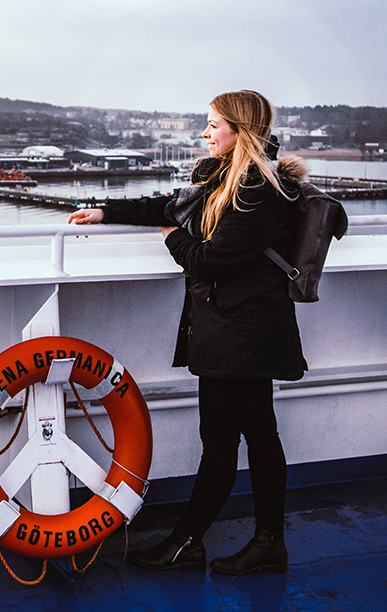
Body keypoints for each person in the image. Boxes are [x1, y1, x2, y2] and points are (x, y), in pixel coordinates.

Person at [67, 89, 308, 575]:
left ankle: (187, 542)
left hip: (240, 334)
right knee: (261, 434)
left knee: (221, 443)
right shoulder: (221, 179)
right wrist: (105, 212)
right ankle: (269, 544)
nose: (205, 132)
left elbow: (208, 260)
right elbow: (169, 204)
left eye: (214, 124)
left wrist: (171, 236)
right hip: (238, 327)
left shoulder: (259, 191)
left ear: (240, 132)